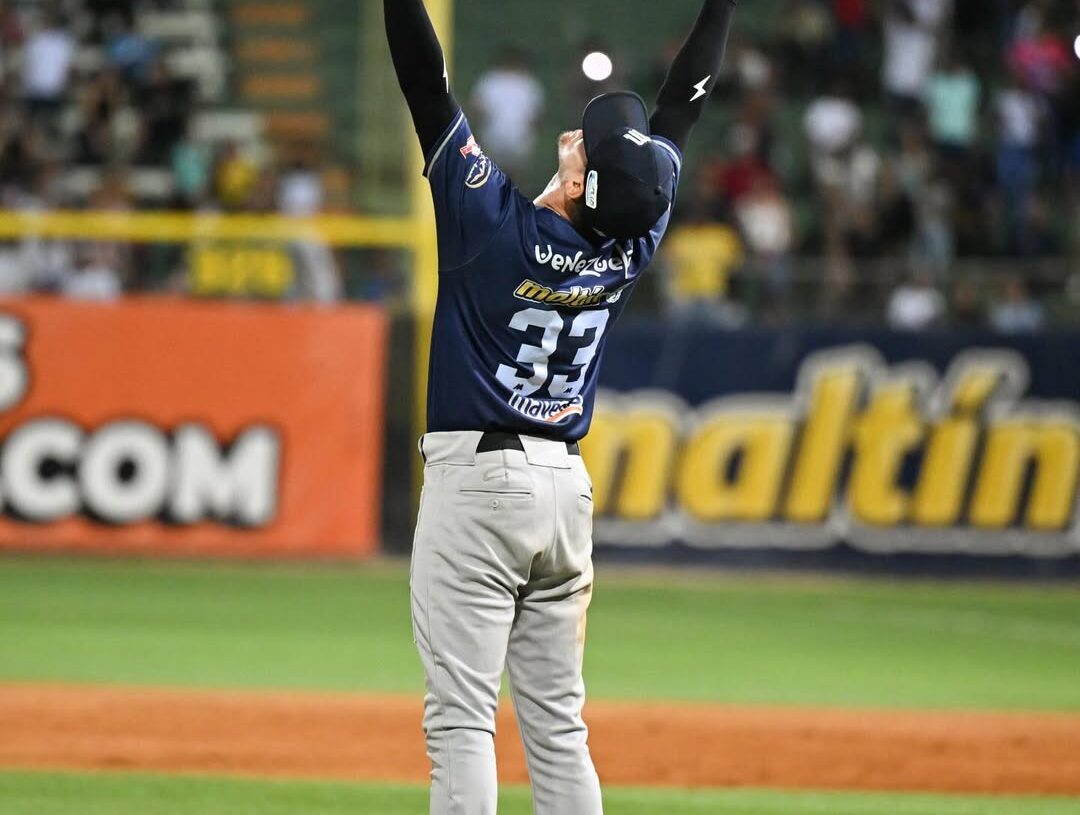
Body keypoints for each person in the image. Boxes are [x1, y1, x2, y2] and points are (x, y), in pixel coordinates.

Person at [383, 1, 736, 813]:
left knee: (463, 721)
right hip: (564, 495)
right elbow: (685, 101)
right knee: (558, 725)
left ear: (579, 182)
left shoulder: (490, 227)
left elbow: (424, 86)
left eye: (590, 142)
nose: (580, 133)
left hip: (480, 483)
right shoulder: (633, 236)